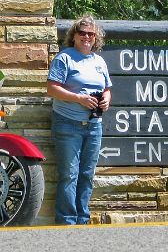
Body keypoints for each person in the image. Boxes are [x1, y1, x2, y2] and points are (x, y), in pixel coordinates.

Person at [47, 15, 112, 225]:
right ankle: (67, 221)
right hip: (67, 123)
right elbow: (51, 88)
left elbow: (107, 89)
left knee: (86, 175)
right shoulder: (64, 58)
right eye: (82, 32)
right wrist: (79, 98)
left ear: (96, 38)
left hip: (94, 125)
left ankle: (82, 220)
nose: (86, 37)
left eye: (90, 34)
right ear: (74, 35)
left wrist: (106, 101)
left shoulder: (99, 61)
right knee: (69, 174)